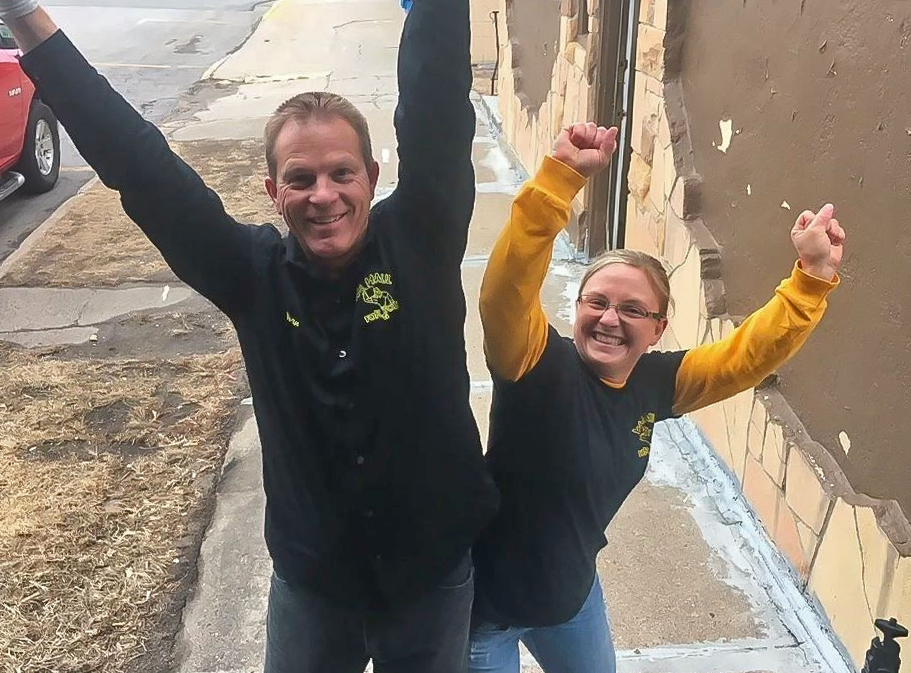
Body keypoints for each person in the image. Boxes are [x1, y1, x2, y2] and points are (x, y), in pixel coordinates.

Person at [0, 0, 499, 670]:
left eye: (340, 172)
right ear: (272, 190)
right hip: (315, 584)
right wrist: (26, 15)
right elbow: (137, 163)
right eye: (300, 178)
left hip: (432, 573)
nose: (323, 194)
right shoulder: (251, 275)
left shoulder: (422, 236)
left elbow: (437, 98)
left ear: (371, 177)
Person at [469, 121, 845, 673]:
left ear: (658, 328)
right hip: (487, 616)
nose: (609, 319)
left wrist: (810, 280)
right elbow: (506, 290)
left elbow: (745, 358)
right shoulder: (532, 364)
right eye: (596, 302)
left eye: (632, 310)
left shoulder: (654, 383)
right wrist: (559, 181)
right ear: (577, 309)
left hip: (573, 602)